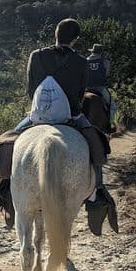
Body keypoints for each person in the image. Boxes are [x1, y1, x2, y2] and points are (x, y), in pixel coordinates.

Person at [14, 18, 114, 230]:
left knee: (10, 138)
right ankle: (98, 191)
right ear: (75, 39)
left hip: (38, 116)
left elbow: (30, 90)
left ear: (55, 34)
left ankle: (5, 185)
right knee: (97, 142)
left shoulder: (36, 55)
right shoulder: (80, 62)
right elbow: (80, 94)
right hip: (71, 116)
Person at [86, 43, 117, 132]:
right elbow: (107, 74)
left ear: (93, 51)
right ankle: (109, 125)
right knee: (113, 107)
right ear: (101, 52)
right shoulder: (105, 62)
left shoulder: (85, 60)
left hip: (86, 88)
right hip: (100, 88)